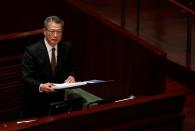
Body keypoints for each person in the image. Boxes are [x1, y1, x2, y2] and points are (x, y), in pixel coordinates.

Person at [22, 16, 76, 117]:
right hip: (36, 103)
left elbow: (70, 68)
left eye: (59, 31)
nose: (55, 35)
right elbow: (26, 77)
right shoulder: (32, 51)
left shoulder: (66, 47)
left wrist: (71, 76)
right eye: (52, 31)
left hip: (58, 101)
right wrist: (41, 86)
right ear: (44, 31)